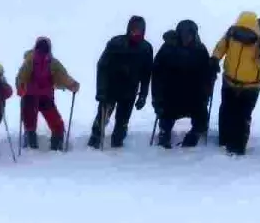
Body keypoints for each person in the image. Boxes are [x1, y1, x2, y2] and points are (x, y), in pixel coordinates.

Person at [209, 12, 260, 156]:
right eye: (241, 31)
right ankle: (224, 141)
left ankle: (238, 147)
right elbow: (220, 48)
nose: (243, 35)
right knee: (226, 111)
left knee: (242, 116)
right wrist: (215, 59)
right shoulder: (231, 34)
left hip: (251, 87)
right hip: (229, 81)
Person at [90, 15, 154, 148]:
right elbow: (102, 66)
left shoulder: (146, 48)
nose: (136, 32)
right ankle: (94, 141)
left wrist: (143, 95)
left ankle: (117, 144)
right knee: (102, 118)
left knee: (123, 121)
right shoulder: (116, 43)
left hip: (129, 91)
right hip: (110, 89)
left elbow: (146, 74)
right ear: (129, 28)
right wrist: (101, 90)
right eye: (134, 29)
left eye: (139, 29)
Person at [151, 20, 216, 148]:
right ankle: (164, 133)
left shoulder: (200, 49)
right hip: (171, 93)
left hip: (193, 94)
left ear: (194, 34)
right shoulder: (168, 48)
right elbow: (157, 73)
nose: (186, 37)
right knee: (165, 114)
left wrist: (212, 71)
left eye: (189, 34)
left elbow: (206, 74)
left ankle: (194, 135)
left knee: (201, 118)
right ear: (178, 34)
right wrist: (157, 99)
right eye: (183, 34)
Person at [15, 37, 80, 151]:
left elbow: (21, 77)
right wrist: (72, 85)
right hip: (39, 96)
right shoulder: (46, 61)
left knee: (31, 122)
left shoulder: (33, 59)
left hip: (34, 96)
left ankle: (31, 143)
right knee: (53, 121)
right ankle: (56, 144)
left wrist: (20, 87)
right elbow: (63, 76)